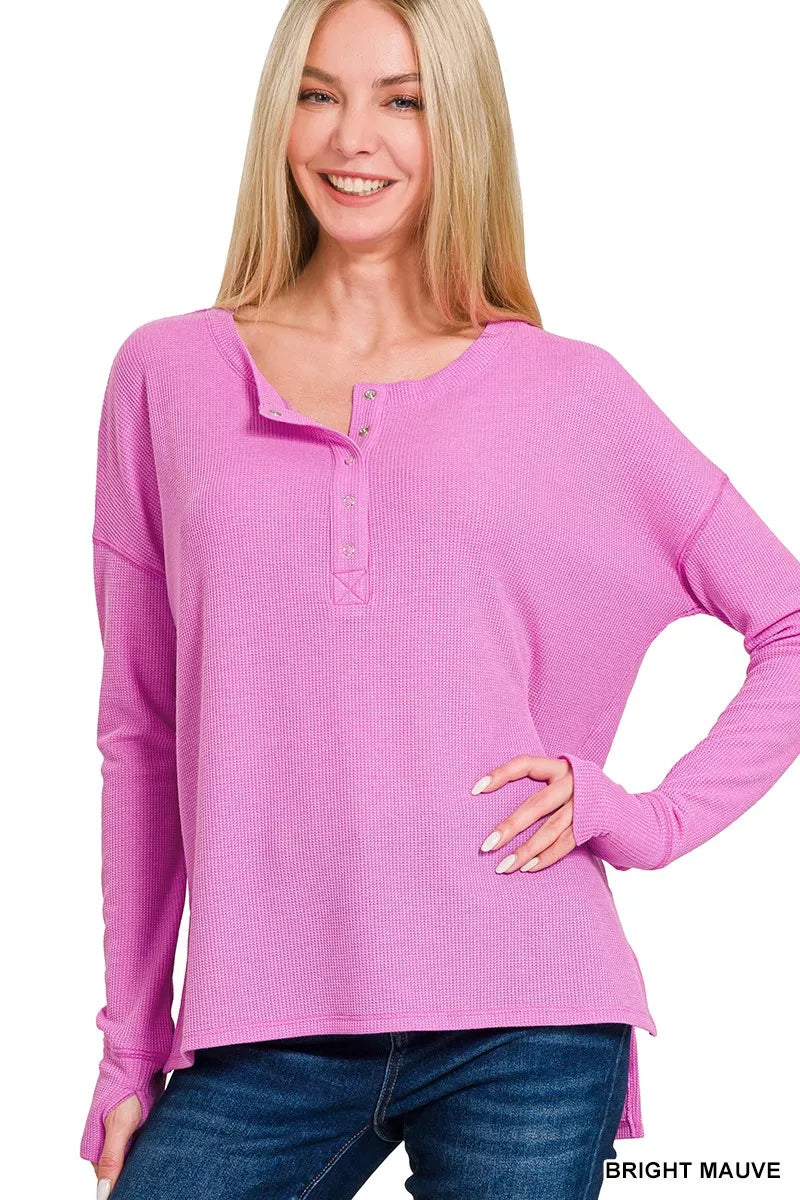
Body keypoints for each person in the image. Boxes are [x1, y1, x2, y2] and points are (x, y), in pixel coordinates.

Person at [81, 1, 800, 1197]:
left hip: (527, 1016)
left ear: (457, 123)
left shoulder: (567, 391)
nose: (350, 136)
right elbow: (141, 734)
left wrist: (646, 818)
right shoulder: (166, 375)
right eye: (318, 93)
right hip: (262, 1023)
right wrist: (128, 1043)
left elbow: (786, 620)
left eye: (401, 99)